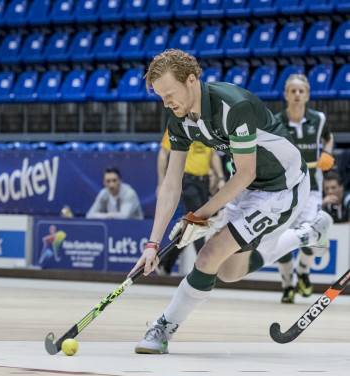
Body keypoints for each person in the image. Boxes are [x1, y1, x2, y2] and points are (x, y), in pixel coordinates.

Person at [128, 49, 332, 355]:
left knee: (209, 255)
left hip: (282, 186)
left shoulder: (232, 106)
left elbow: (247, 172)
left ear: (192, 81)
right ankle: (306, 234)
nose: (166, 103)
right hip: (245, 187)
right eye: (160, 97)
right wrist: (152, 244)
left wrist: (201, 215)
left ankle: (163, 328)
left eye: (169, 94)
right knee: (228, 272)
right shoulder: (180, 120)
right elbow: (171, 184)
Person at [275, 74, 334, 303]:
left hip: (312, 188)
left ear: (307, 95)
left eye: (301, 91)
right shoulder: (276, 121)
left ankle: (303, 274)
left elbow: (327, 138)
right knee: (282, 239)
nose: (297, 95)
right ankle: (287, 286)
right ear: (286, 95)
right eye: (293, 91)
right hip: (283, 190)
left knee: (310, 235)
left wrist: (327, 153)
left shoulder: (318, 119)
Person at [156, 129, 226, 275]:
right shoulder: (178, 126)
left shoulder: (206, 126)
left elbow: (213, 154)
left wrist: (220, 177)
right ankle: (204, 269)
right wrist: (161, 183)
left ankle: (165, 262)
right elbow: (163, 154)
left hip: (204, 181)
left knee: (191, 226)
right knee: (198, 222)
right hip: (187, 181)